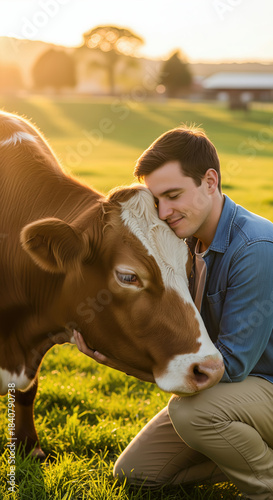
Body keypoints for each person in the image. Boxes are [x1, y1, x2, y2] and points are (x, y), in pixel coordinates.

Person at [74, 126, 273, 499]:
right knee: (134, 473)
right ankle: (241, 452)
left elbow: (228, 368)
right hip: (233, 400)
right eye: (157, 200)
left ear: (210, 181)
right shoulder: (184, 242)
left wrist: (121, 363)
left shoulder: (256, 247)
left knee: (191, 415)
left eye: (173, 195)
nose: (164, 212)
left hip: (261, 385)